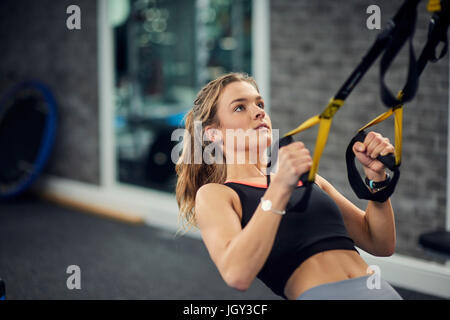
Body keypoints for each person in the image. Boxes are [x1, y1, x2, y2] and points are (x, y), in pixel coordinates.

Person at [175, 72, 403, 300]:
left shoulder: (307, 178)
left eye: (259, 103)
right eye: (239, 107)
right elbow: (236, 274)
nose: (258, 112)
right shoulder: (217, 194)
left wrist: (376, 179)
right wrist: (280, 187)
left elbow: (380, 243)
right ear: (214, 134)